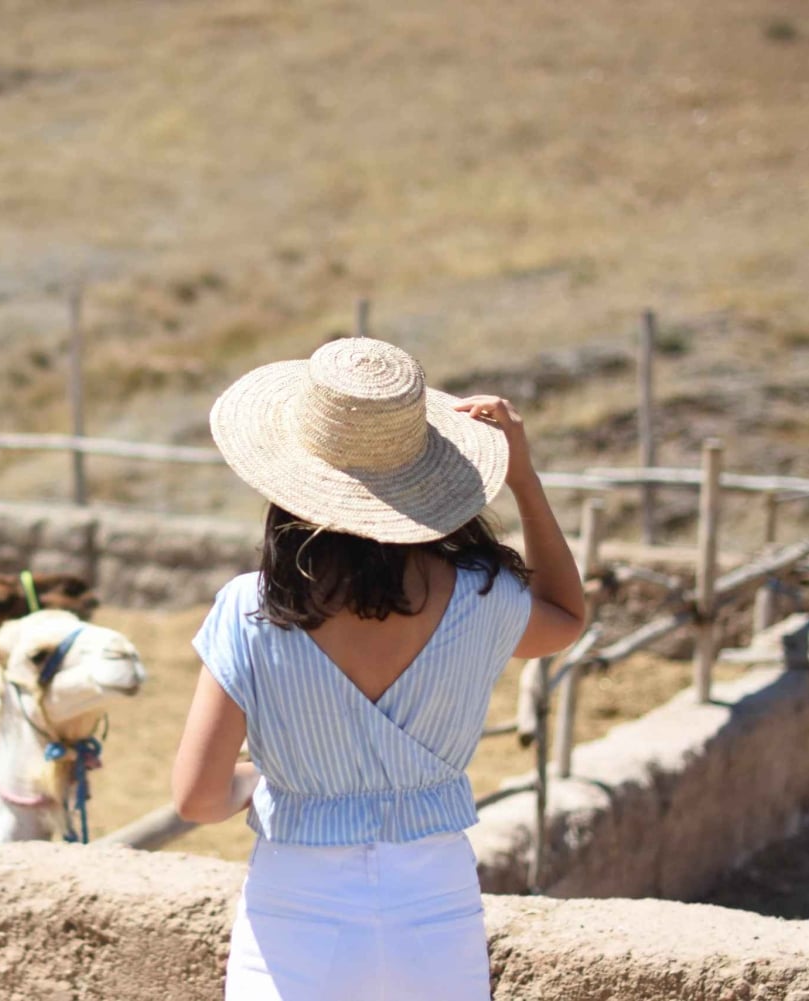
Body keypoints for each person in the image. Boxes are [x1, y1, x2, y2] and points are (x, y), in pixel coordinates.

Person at [172, 337, 585, 1000]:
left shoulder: (250, 610)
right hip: (436, 906)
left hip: (293, 912)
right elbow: (565, 614)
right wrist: (524, 479)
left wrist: (268, 779)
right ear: (425, 477)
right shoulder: (482, 597)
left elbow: (196, 796)